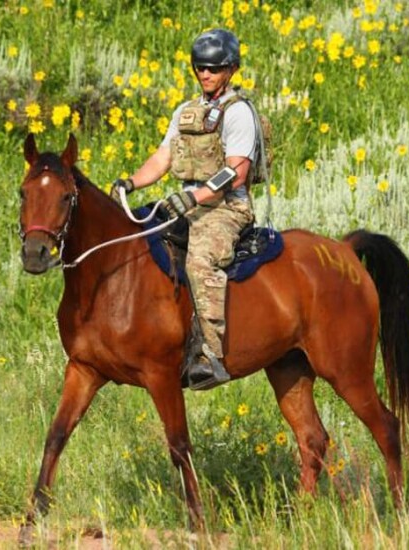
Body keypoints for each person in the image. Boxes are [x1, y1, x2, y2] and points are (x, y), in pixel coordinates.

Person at [110, 28, 260, 390]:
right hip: (186, 205)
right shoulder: (185, 112)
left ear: (232, 69)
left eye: (213, 68)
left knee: (199, 260)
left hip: (226, 208)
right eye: (199, 67)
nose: (205, 74)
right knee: (137, 240)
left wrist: (195, 197)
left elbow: (236, 172)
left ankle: (211, 354)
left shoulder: (238, 113)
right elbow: (163, 158)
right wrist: (130, 183)